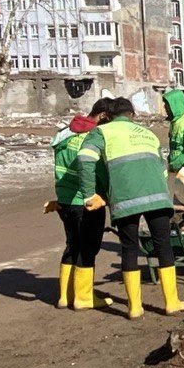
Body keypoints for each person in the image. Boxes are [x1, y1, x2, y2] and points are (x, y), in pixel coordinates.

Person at [78, 98, 184, 319]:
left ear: (109, 116)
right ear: (132, 115)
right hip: (157, 197)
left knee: (129, 247)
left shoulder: (102, 132)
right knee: (163, 245)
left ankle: (135, 308)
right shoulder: (148, 134)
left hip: (126, 199)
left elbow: (84, 158)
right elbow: (163, 170)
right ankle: (172, 303)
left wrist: (90, 193)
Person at [48, 97, 113, 310]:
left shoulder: (65, 133)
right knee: (88, 248)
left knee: (72, 245)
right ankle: (84, 298)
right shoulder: (92, 137)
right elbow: (99, 171)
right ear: (103, 116)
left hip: (64, 199)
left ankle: (65, 296)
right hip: (87, 200)